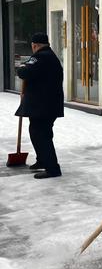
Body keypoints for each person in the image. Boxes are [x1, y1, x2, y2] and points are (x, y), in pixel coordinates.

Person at [15, 32, 64, 179]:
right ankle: (42, 160)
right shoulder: (51, 56)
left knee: (40, 135)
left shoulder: (40, 56)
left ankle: (52, 169)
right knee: (42, 133)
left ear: (34, 45)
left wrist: (22, 66)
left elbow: (24, 72)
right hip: (48, 105)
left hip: (42, 106)